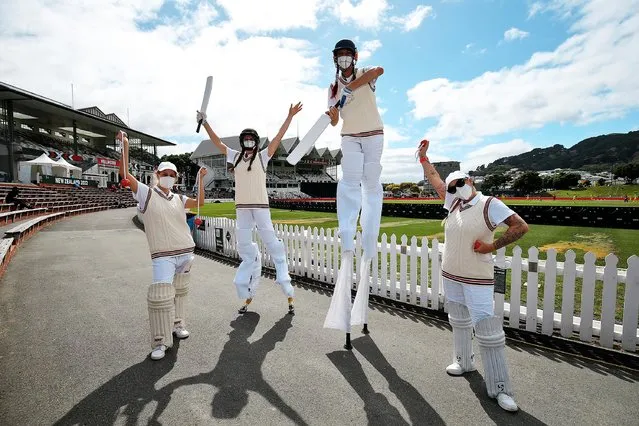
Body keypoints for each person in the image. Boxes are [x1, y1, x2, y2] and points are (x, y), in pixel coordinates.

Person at [418, 139, 529, 412]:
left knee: (488, 330)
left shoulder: (489, 203)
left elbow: (520, 226)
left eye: (459, 184)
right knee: (458, 319)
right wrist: (423, 159)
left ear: (471, 181)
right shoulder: (454, 202)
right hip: (452, 274)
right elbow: (436, 181)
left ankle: (501, 389)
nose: (455, 189)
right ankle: (464, 361)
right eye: (453, 186)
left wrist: (491, 246)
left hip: (477, 276)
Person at [197, 102, 303, 315]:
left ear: (255, 142)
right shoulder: (234, 156)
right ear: (242, 142)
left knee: (272, 242)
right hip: (242, 208)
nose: (248, 142)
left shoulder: (263, 156)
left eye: (251, 139)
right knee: (245, 248)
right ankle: (248, 291)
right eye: (245, 139)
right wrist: (205, 122)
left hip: (261, 206)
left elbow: (277, 139)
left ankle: (285, 282)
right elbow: (216, 141)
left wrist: (290, 116)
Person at [117, 130, 207, 361]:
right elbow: (125, 173)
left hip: (185, 251)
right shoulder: (146, 193)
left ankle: (178, 325)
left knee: (180, 293)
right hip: (162, 255)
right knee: (160, 296)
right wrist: (124, 145)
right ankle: (160, 341)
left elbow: (201, 202)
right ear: (157, 174)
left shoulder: (179, 198)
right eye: (165, 173)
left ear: (175, 178)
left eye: (172, 175)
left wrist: (201, 180)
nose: (168, 177)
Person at [322, 38, 385, 348]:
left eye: (348, 55)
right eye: (340, 56)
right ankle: (348, 231)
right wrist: (334, 109)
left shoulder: (366, 75)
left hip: (374, 135)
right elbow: (335, 121)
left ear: (354, 56)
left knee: (371, 184)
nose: (344, 59)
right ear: (335, 59)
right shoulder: (332, 87)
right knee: (350, 181)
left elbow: (379, 70)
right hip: (349, 137)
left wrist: (351, 88)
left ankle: (368, 228)